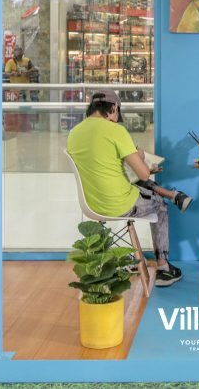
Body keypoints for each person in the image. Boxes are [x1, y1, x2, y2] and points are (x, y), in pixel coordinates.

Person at [66, 88, 188, 287]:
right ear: (113, 108)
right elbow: (144, 174)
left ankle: (130, 259)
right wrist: (142, 161)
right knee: (160, 205)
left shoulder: (75, 132)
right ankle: (163, 267)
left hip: (92, 205)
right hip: (119, 204)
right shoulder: (116, 130)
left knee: (141, 187)